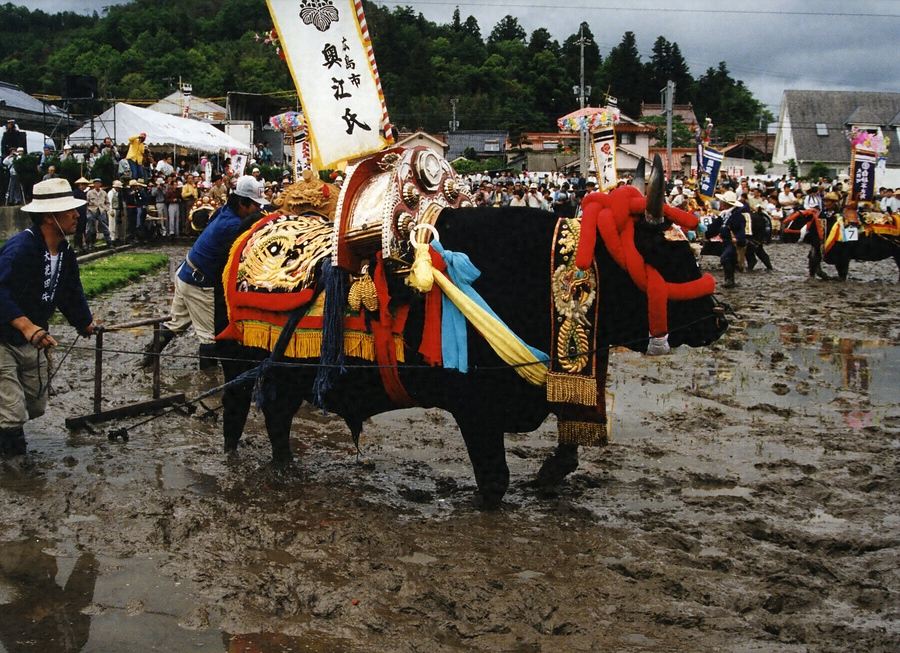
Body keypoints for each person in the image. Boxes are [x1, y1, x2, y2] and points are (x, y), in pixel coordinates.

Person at [0, 178, 97, 456]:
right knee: (12, 412)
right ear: (49, 216)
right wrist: (26, 325)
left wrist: (84, 323)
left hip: (32, 340)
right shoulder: (20, 249)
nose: (76, 215)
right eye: (69, 211)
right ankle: (17, 474)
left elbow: (70, 292)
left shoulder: (65, 252)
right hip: (4, 338)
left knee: (35, 405)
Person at [141, 175, 267, 369]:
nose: (258, 210)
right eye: (255, 206)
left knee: (177, 323)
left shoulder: (224, 211)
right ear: (242, 203)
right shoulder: (232, 226)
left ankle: (146, 360)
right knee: (209, 336)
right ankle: (208, 382)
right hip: (198, 282)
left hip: (186, 272)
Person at [710, 190, 747, 288]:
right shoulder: (723, 214)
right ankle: (729, 280)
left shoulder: (738, 216)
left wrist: (738, 238)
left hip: (733, 242)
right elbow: (714, 226)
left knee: (725, 258)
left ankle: (730, 280)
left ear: (727, 203)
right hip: (725, 241)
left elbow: (741, 230)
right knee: (728, 260)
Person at [85, 178, 111, 250]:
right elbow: (87, 202)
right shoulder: (90, 193)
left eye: (98, 183)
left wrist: (106, 209)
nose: (97, 185)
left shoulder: (104, 193)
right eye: (95, 183)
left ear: (100, 184)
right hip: (92, 210)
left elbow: (107, 202)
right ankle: (87, 243)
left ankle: (109, 242)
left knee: (104, 226)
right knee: (90, 227)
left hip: (101, 210)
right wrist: (87, 210)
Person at [72, 176, 90, 253]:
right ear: (80, 185)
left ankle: (81, 245)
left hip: (83, 213)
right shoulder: (75, 193)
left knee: (82, 229)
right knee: (78, 229)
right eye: (83, 185)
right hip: (77, 212)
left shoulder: (83, 193)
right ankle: (77, 245)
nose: (84, 186)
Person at [107, 179, 126, 244]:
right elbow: (109, 202)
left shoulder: (117, 193)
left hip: (117, 209)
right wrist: (110, 210)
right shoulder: (111, 193)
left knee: (116, 224)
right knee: (112, 224)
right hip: (112, 209)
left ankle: (115, 237)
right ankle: (112, 238)